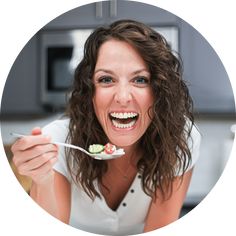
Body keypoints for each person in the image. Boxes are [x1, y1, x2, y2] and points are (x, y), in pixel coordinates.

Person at [11, 19, 201, 235]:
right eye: (106, 79)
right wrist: (43, 180)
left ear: (159, 91)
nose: (122, 97)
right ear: (90, 92)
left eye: (140, 79)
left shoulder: (179, 138)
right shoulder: (57, 140)